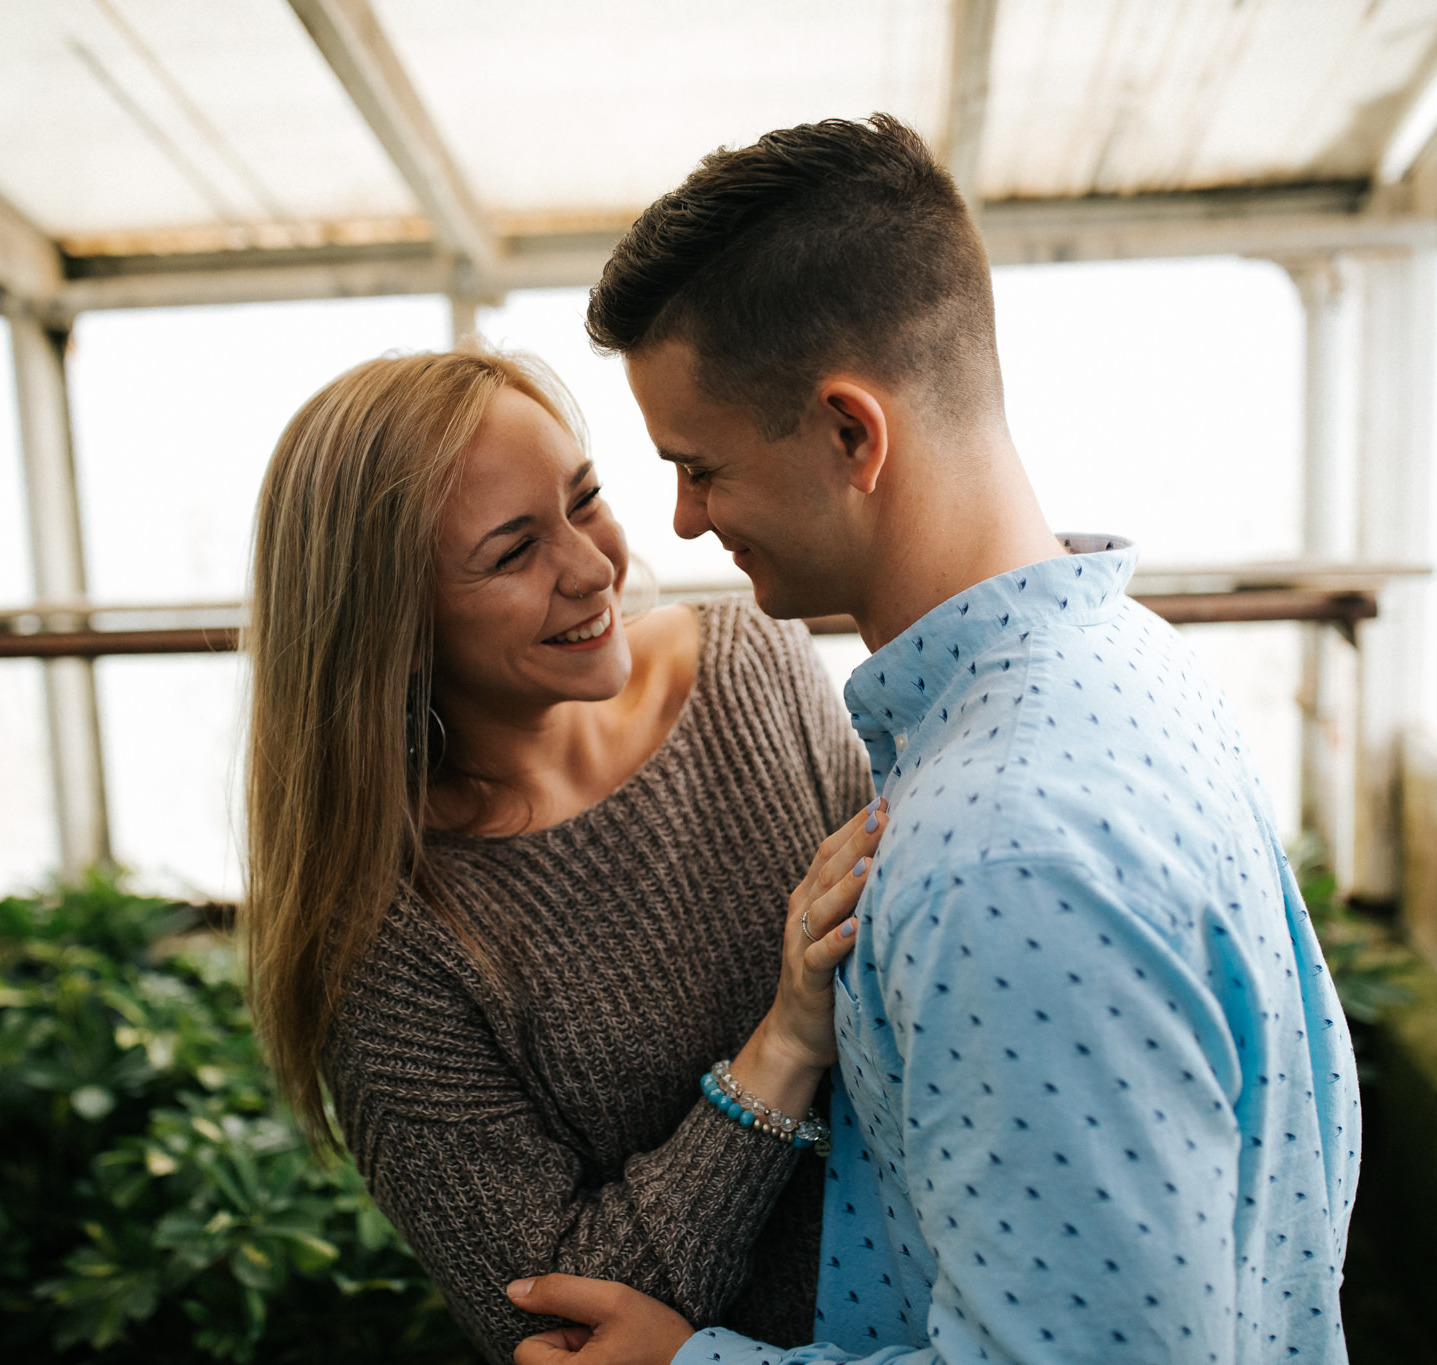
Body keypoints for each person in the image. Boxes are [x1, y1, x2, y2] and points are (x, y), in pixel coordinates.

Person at [505, 115, 1361, 1364]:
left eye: (700, 467)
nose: (680, 523)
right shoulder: (1127, 657)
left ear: (853, 434)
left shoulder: (1001, 855)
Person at [241, 346, 889, 1363]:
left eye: (583, 499)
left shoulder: (750, 663)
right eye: (512, 553)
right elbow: (554, 1335)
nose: (594, 568)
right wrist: (782, 1050)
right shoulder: (382, 941)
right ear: (396, 630)